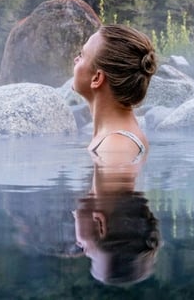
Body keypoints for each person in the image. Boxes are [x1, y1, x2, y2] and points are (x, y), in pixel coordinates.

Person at [72, 24, 157, 164]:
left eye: (82, 55)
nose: (76, 59)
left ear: (97, 78)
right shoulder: (113, 140)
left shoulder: (116, 147)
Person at [72, 156, 161, 286]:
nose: (78, 244)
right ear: (100, 224)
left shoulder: (113, 151)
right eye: (86, 251)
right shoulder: (111, 146)